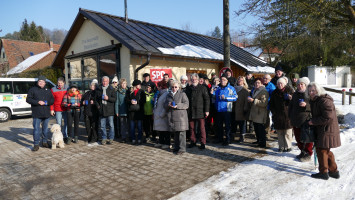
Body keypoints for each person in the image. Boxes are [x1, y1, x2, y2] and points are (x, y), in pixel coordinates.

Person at [307, 82, 341, 180]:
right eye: (309, 91)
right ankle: (333, 171)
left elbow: (328, 117)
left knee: (321, 150)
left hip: (327, 130)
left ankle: (323, 172)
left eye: (313, 90)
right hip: (323, 129)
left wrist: (313, 122)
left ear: (318, 90)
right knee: (326, 151)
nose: (311, 93)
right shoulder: (316, 101)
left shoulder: (324, 101)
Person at [26, 76, 54, 151]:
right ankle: (36, 144)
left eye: (43, 81)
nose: (41, 83)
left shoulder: (48, 90)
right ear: (37, 82)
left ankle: (44, 142)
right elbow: (28, 99)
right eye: (39, 81)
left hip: (46, 113)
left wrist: (47, 102)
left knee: (45, 130)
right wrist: (37, 102)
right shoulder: (32, 89)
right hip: (37, 113)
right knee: (36, 130)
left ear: (45, 83)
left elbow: (52, 100)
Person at [288, 77, 313, 161]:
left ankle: (308, 153)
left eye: (302, 84)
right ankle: (302, 151)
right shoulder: (295, 94)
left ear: (305, 85)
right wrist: (289, 116)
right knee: (298, 138)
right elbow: (291, 106)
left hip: (306, 119)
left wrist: (306, 105)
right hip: (296, 119)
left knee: (307, 138)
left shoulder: (310, 94)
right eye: (298, 84)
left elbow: (314, 106)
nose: (300, 86)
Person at [186, 73, 210, 149]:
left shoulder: (203, 88)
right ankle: (193, 141)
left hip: (200, 111)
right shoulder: (188, 89)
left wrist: (207, 110)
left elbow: (207, 100)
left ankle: (203, 143)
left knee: (201, 128)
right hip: (191, 111)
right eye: (192, 79)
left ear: (198, 80)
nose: (194, 80)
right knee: (192, 127)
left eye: (195, 79)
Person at [269, 77, 294, 152]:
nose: (280, 85)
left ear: (284, 84)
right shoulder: (274, 92)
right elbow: (271, 104)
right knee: (280, 132)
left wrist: (291, 99)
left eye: (281, 83)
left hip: (287, 114)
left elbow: (294, 103)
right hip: (278, 115)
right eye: (278, 83)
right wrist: (274, 112)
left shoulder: (290, 91)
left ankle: (288, 146)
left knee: (287, 132)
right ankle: (281, 146)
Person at [164, 80, 189, 155]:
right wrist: (168, 104)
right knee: (176, 134)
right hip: (172, 117)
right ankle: (176, 147)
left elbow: (186, 104)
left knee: (181, 134)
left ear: (179, 87)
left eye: (175, 87)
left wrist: (177, 105)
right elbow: (164, 105)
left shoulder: (182, 94)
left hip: (181, 117)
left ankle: (182, 149)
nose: (174, 88)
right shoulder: (168, 95)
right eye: (172, 87)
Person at [214, 74, 237, 146]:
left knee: (227, 126)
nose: (222, 81)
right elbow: (215, 98)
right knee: (219, 125)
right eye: (221, 80)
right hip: (219, 110)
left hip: (227, 110)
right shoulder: (218, 88)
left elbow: (235, 97)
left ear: (227, 81)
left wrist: (226, 97)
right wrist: (213, 94)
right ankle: (220, 138)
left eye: (224, 80)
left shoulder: (231, 88)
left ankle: (228, 139)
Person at [248, 78, 269, 148]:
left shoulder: (264, 91)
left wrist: (253, 100)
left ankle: (262, 143)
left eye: (259, 83)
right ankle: (258, 140)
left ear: (262, 84)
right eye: (256, 82)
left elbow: (264, 103)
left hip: (260, 113)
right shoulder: (255, 90)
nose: (257, 84)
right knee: (256, 128)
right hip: (255, 112)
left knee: (261, 129)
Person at [96, 76, 117, 145]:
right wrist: (98, 106)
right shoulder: (98, 89)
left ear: (108, 81)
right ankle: (104, 138)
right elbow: (96, 99)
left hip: (110, 110)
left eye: (106, 81)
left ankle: (111, 138)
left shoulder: (111, 88)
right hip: (102, 110)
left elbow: (114, 99)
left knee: (111, 125)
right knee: (102, 126)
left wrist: (108, 98)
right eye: (103, 81)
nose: (104, 83)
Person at [126, 80, 146, 145]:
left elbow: (144, 100)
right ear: (135, 85)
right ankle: (133, 139)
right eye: (138, 84)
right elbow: (126, 100)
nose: (140, 85)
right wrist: (130, 101)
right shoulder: (130, 91)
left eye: (140, 84)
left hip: (139, 111)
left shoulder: (142, 92)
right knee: (132, 126)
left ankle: (140, 138)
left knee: (140, 126)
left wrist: (137, 102)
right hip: (132, 112)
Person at [50, 77, 69, 143]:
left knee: (66, 122)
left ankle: (65, 136)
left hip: (66, 108)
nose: (60, 84)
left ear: (64, 83)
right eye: (58, 83)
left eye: (61, 83)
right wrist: (52, 109)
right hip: (57, 109)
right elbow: (51, 100)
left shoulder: (68, 88)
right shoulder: (53, 89)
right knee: (59, 124)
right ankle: (59, 136)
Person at [153, 81, 170, 149]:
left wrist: (162, 114)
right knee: (160, 130)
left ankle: (167, 143)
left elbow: (166, 105)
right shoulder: (160, 93)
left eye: (159, 86)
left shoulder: (166, 94)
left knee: (165, 130)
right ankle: (161, 142)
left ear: (162, 87)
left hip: (163, 115)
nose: (157, 87)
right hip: (158, 115)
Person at [234, 76, 249, 143]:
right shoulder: (234, 89)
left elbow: (246, 101)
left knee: (242, 124)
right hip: (234, 109)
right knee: (234, 123)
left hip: (242, 109)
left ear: (244, 81)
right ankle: (233, 136)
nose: (240, 81)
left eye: (241, 80)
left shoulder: (245, 90)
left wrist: (245, 109)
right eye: (239, 80)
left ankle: (242, 137)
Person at [115, 78, 129, 143]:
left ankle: (128, 136)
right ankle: (123, 137)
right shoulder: (118, 91)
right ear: (120, 84)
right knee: (123, 125)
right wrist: (117, 111)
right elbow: (117, 102)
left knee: (128, 124)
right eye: (122, 83)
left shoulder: (128, 90)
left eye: (125, 83)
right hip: (121, 110)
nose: (124, 85)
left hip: (128, 110)